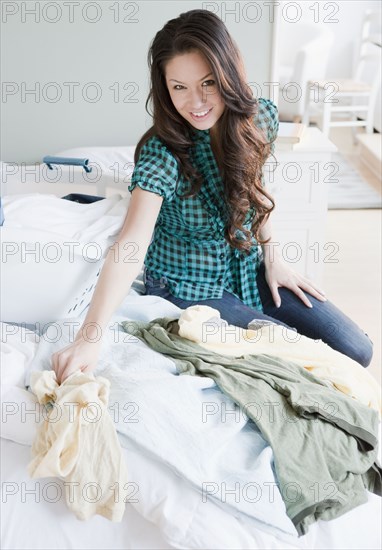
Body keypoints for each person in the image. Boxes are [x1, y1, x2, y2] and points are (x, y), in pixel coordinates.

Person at [52, 9, 373, 384]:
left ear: (228, 75)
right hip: (186, 284)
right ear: (164, 88)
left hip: (247, 268)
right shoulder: (162, 154)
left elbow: (252, 190)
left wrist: (275, 257)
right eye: (179, 87)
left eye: (207, 83)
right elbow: (131, 244)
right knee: (299, 364)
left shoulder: (259, 120)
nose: (196, 102)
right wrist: (89, 337)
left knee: (356, 350)